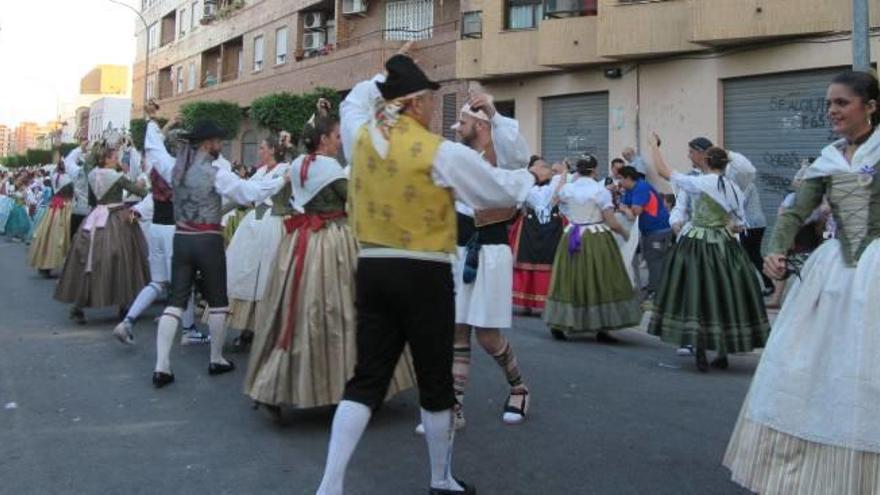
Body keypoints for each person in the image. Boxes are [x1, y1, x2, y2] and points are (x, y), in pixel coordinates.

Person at [315, 46, 534, 495]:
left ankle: (329, 486)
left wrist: (386, 73)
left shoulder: (360, 139)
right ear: (413, 102)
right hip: (425, 273)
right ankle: (440, 479)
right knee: (434, 378)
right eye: (431, 99)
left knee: (367, 378)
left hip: (373, 269)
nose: (436, 107)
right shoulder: (436, 151)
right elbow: (493, 191)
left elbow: (353, 103)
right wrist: (533, 178)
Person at [724, 71, 880, 493]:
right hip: (833, 271)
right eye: (829, 103)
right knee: (812, 369)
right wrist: (773, 249)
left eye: (842, 103)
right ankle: (812, 476)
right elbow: (794, 210)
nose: (832, 110)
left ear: (870, 106)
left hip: (875, 271)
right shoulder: (828, 157)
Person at [244, 100, 416, 413]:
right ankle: (353, 384)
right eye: (336, 137)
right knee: (345, 314)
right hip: (333, 242)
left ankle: (276, 385)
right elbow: (354, 201)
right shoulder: (329, 168)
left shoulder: (298, 165)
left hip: (300, 243)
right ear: (324, 140)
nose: (339, 142)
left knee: (294, 315)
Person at [151, 119, 288, 389]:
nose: (220, 145)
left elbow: (153, 150)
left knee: (175, 302)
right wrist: (281, 181)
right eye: (216, 141)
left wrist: (156, 125)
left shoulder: (174, 168)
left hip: (182, 237)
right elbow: (249, 192)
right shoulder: (216, 173)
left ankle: (161, 366)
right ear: (206, 143)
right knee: (218, 301)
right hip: (208, 239)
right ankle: (216, 359)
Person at [647, 135, 769, 372]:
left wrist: (654, 146)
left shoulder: (702, 183)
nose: (689, 157)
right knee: (725, 295)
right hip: (725, 246)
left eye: (692, 152)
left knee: (696, 294)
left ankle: (700, 347)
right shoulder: (732, 187)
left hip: (697, 244)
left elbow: (663, 171)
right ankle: (721, 350)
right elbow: (740, 222)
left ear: (705, 158)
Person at [112, 110, 204, 346]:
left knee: (157, 282)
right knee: (184, 282)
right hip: (175, 231)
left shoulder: (156, 167)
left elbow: (153, 145)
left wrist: (163, 124)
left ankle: (127, 322)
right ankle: (189, 329)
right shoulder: (181, 169)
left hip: (156, 228)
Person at [543, 156, 641, 341]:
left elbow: (555, 200)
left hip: (572, 234)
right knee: (600, 279)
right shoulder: (600, 191)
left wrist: (564, 175)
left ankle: (560, 322)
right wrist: (626, 235)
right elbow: (611, 222)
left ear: (577, 171)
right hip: (595, 237)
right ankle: (601, 327)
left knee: (569, 279)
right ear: (594, 170)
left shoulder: (568, 189)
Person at [53, 141, 150, 325]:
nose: (117, 159)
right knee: (123, 259)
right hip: (116, 217)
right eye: (114, 157)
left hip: (95, 217)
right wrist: (144, 179)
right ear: (105, 159)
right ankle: (123, 304)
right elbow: (140, 191)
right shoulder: (116, 176)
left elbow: (93, 200)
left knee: (89, 260)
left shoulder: (91, 174)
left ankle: (79, 306)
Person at [224, 136, 291, 346]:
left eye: (262, 147)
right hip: (255, 223)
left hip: (276, 223)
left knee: (268, 275)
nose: (259, 151)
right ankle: (248, 326)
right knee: (249, 273)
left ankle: (270, 327)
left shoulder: (286, 169)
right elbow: (242, 194)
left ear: (272, 150)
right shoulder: (260, 172)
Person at [510, 156, 565, 315]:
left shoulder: (551, 186)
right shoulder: (529, 188)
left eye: (546, 167)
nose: (546, 170)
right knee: (526, 263)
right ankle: (526, 301)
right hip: (529, 227)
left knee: (548, 262)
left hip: (550, 228)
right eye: (542, 167)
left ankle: (546, 300)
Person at [618, 165, 674, 302]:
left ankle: (657, 294)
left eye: (620, 179)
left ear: (628, 178)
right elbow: (622, 205)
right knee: (650, 260)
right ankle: (654, 289)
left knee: (655, 262)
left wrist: (626, 209)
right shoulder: (629, 190)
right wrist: (625, 209)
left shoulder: (641, 188)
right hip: (647, 231)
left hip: (658, 230)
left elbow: (635, 212)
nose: (619, 182)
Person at [28, 161, 74, 276]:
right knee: (62, 235)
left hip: (53, 207)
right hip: (65, 207)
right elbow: (72, 194)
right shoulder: (68, 178)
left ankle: (45, 262)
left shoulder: (54, 176)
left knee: (47, 234)